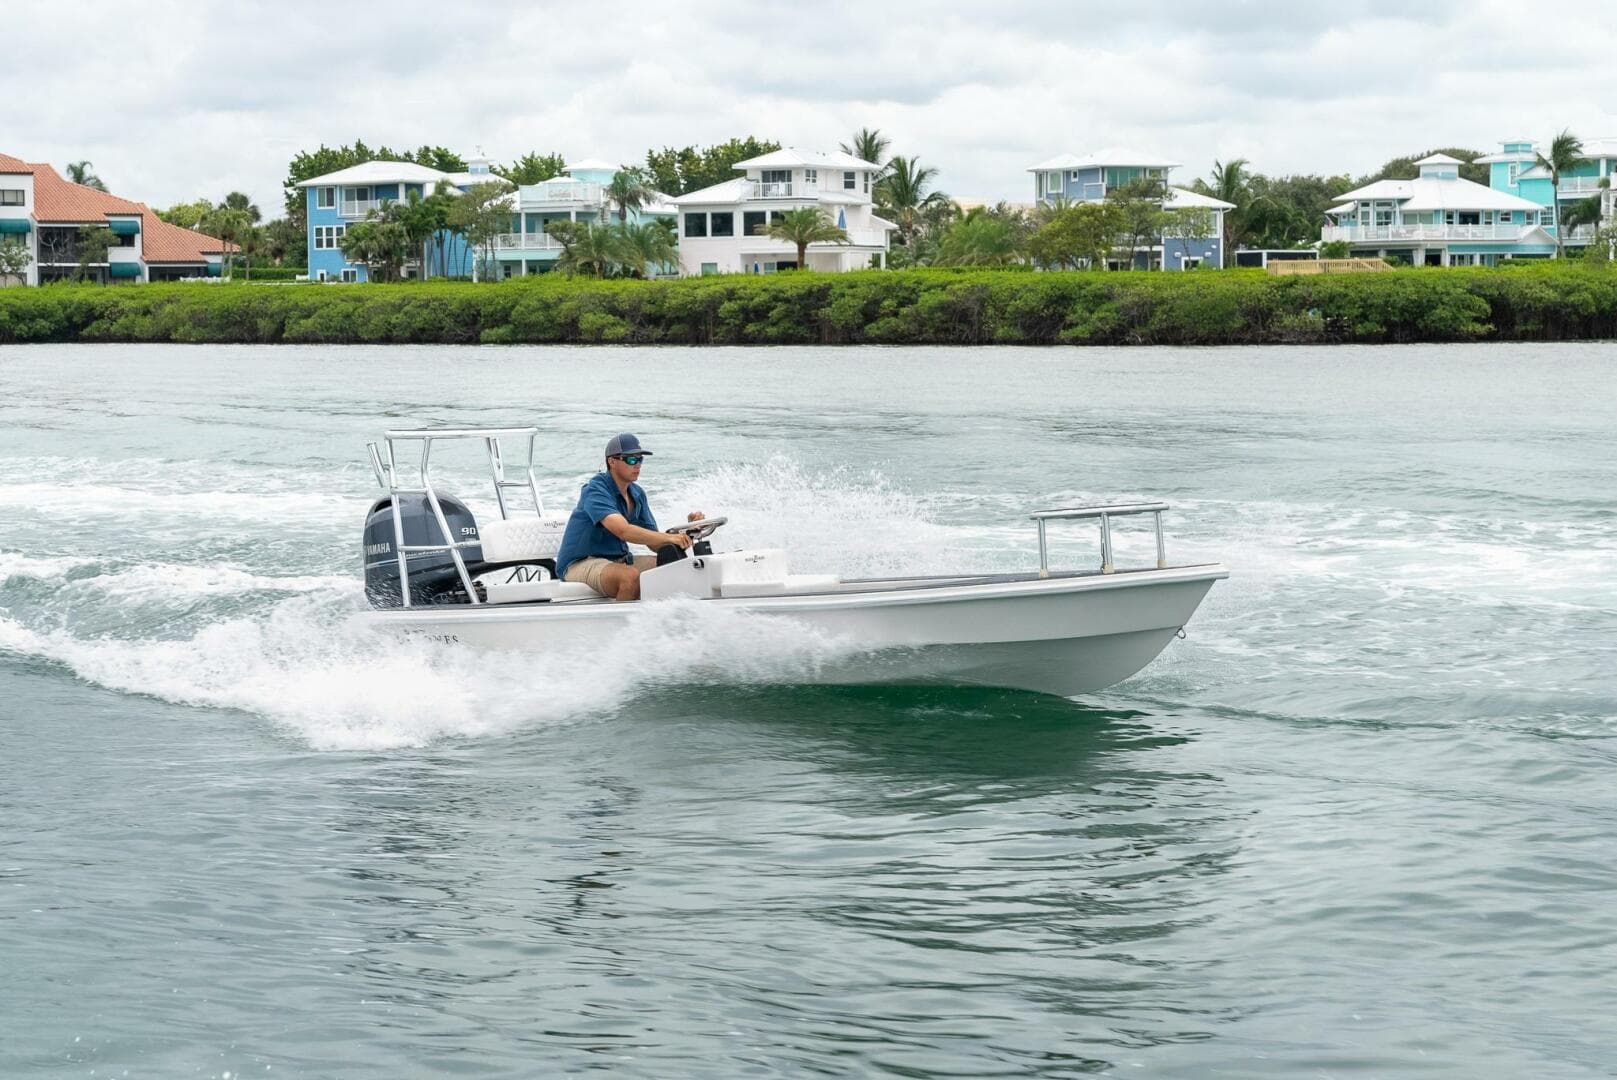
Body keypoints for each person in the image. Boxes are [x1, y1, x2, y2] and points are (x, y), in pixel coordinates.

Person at [554, 433, 705, 601]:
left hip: (618, 560)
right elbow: (622, 531)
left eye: (640, 459)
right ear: (612, 461)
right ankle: (624, 626)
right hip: (580, 563)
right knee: (629, 577)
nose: (638, 465)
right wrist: (671, 537)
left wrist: (687, 532)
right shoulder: (595, 490)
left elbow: (654, 545)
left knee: (674, 567)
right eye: (631, 460)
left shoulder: (637, 494)